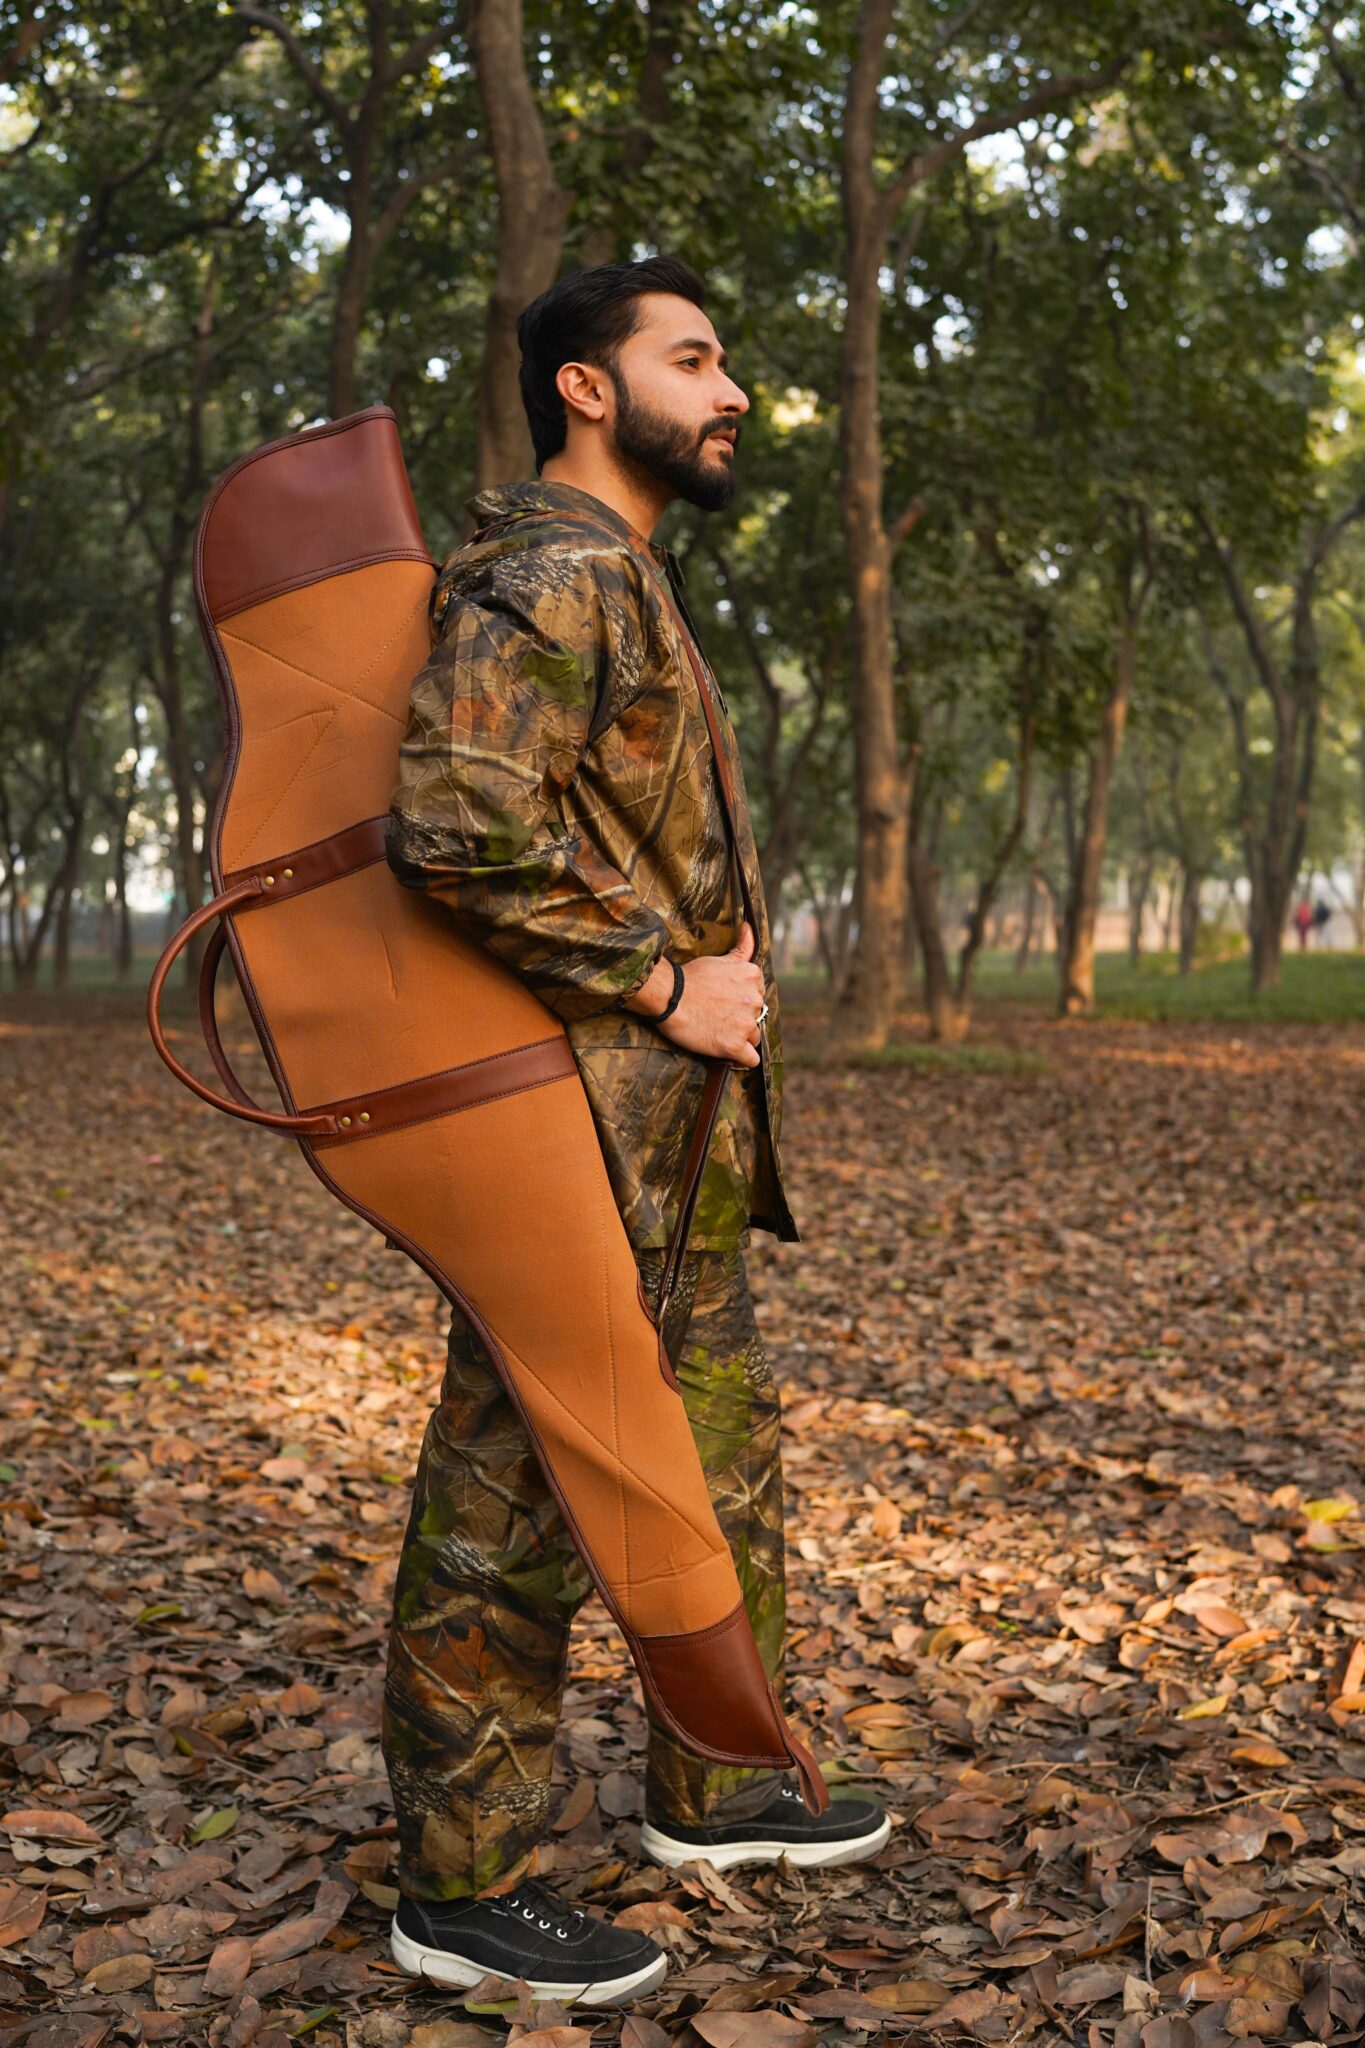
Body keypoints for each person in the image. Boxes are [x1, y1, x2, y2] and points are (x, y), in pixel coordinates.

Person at [381, 256, 890, 2005]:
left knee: (718, 1454)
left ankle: (724, 1779)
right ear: (588, 389)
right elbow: (452, 823)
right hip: (577, 1131)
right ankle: (460, 1887)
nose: (730, 386)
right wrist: (668, 985)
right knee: (513, 1493)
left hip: (672, 1146)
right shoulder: (546, 575)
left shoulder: (623, 580)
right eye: (693, 357)